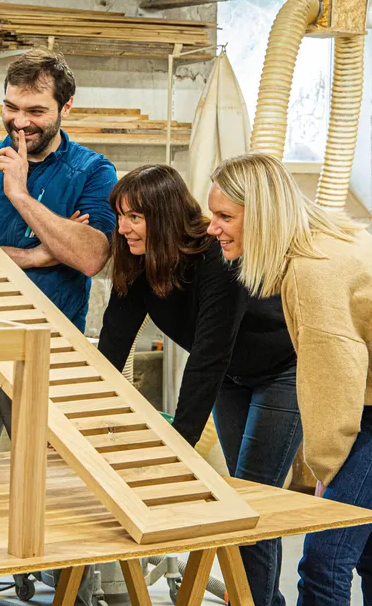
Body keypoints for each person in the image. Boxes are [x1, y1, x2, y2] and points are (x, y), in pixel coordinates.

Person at [208, 153, 372, 606]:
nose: (213, 227)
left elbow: (331, 381)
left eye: (225, 217)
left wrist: (324, 467)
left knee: (324, 557)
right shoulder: (324, 232)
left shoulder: (312, 270)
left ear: (262, 215)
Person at [0, 49, 116, 606]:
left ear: (67, 106)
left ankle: (70, 597)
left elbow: (90, 256)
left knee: (63, 493)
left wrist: (19, 193)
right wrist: (39, 255)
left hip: (48, 363)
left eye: (36, 110)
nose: (20, 123)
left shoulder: (92, 171)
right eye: (11, 108)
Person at [97, 165, 299, 606]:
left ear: (164, 216)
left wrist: (179, 447)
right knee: (238, 498)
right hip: (232, 377)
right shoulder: (137, 259)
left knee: (252, 496)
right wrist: (84, 421)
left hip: (282, 372)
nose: (122, 227)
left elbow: (209, 355)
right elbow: (113, 343)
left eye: (134, 217)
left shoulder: (216, 256)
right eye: (119, 215)